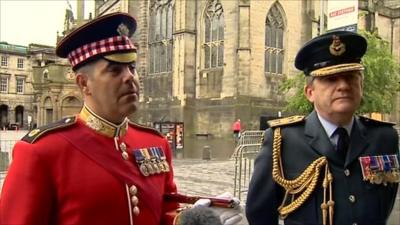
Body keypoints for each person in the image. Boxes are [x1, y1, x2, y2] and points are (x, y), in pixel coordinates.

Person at [0, 12, 242, 225]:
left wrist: (187, 221)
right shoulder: (42, 152)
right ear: (84, 84)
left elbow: (162, 209)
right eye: (115, 70)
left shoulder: (155, 144)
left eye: (132, 68)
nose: (130, 78)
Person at [246, 31, 400, 225]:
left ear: (361, 86)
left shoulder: (384, 138)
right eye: (331, 79)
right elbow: (259, 215)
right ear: (310, 92)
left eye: (351, 77)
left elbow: (385, 202)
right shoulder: (282, 140)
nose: (343, 86)